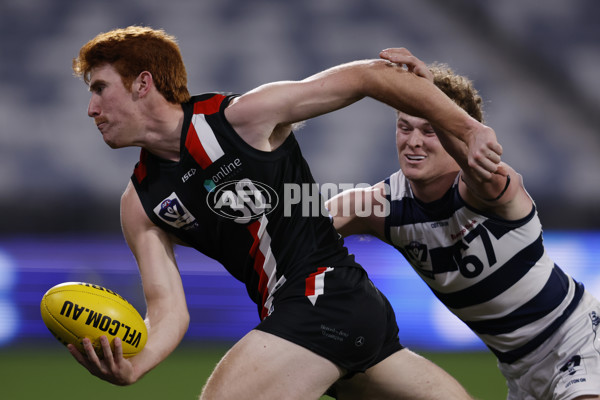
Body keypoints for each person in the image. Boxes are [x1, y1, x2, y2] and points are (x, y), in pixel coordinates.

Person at [68, 26, 499, 399]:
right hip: (327, 315)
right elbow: (168, 310)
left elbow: (369, 77)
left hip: (322, 295)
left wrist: (469, 129)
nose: (91, 109)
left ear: (142, 84)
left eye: (99, 88)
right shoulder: (140, 203)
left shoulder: (241, 118)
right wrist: (134, 365)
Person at [326, 51, 600, 400]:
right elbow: (304, 224)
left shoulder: (489, 188)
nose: (413, 141)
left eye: (429, 129)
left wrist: (433, 104)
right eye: (404, 126)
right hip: (518, 373)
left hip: (578, 339)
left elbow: (475, 164)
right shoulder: (381, 206)